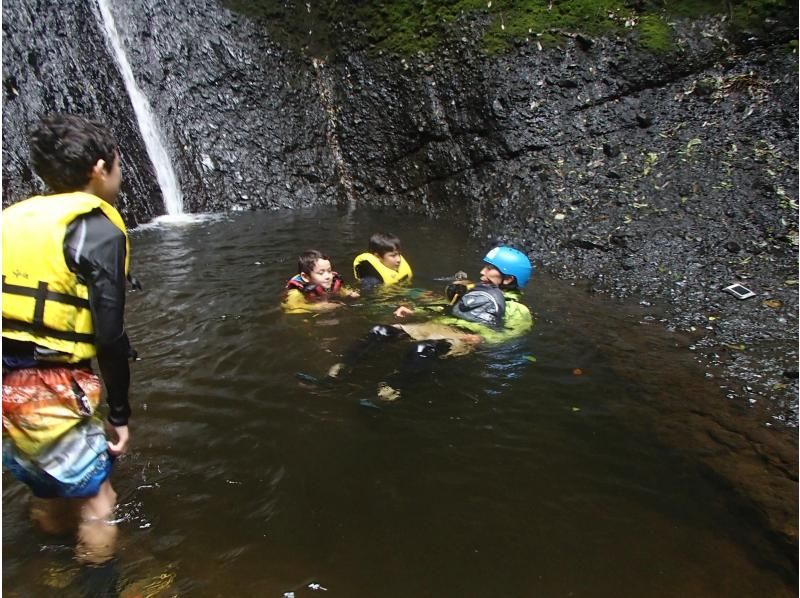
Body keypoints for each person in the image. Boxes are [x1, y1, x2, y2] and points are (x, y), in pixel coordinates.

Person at [2, 114, 136, 567]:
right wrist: (119, 412)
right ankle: (97, 587)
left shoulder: (10, 220)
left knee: (46, 486)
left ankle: (52, 573)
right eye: (118, 165)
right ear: (100, 168)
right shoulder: (97, 231)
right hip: (53, 383)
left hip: (5, 383)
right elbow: (111, 336)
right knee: (98, 502)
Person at [320, 246, 533, 401]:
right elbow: (447, 306)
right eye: (484, 267)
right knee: (381, 331)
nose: (482, 272)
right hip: (441, 324)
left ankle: (389, 392)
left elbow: (512, 336)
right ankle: (340, 371)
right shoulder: (473, 290)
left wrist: (482, 338)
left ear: (508, 279)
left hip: (466, 335)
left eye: (490, 269)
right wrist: (415, 310)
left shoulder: (518, 310)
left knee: (423, 349)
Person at [283, 249, 360, 314]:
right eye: (321, 273)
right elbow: (291, 308)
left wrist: (348, 293)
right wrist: (318, 308)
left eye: (329, 271)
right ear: (305, 277)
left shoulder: (331, 282)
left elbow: (339, 290)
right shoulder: (296, 293)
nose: (328, 276)